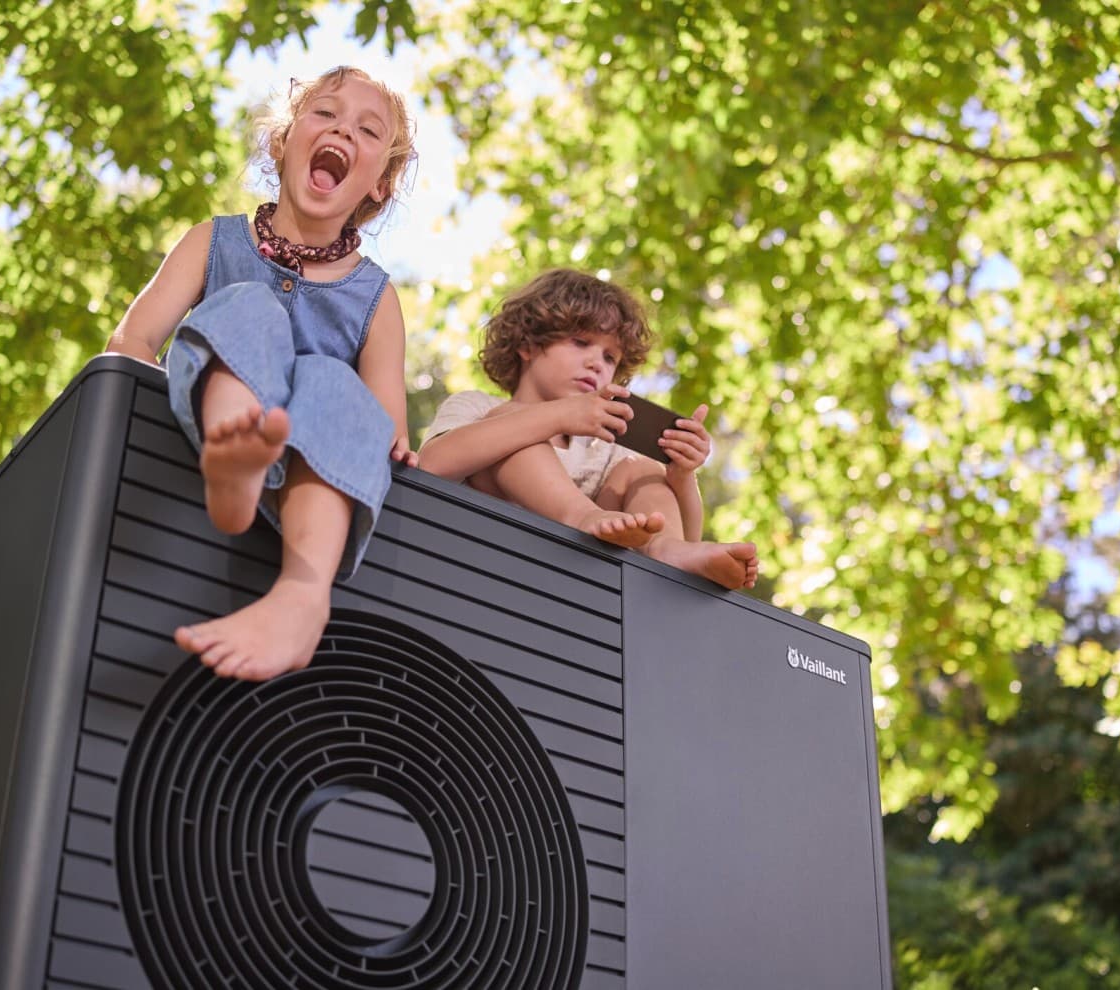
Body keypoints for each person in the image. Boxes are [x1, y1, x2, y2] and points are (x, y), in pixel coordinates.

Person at [105, 66, 417, 681]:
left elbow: (389, 429)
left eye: (367, 129)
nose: (342, 130)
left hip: (309, 478)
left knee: (332, 381)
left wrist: (392, 445)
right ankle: (233, 458)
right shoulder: (214, 243)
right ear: (282, 142)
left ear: (380, 184)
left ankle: (302, 593)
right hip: (199, 429)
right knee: (250, 307)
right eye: (324, 114)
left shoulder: (377, 300)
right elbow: (133, 340)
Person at [418, 269, 758, 590]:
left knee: (641, 468)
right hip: (486, 555)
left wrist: (682, 475)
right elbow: (432, 464)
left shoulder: (607, 448)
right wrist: (557, 416)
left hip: (576, 580)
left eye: (610, 358)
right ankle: (582, 517)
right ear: (528, 345)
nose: (597, 362)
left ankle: (664, 549)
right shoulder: (477, 406)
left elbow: (691, 536)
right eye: (581, 342)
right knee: (511, 420)